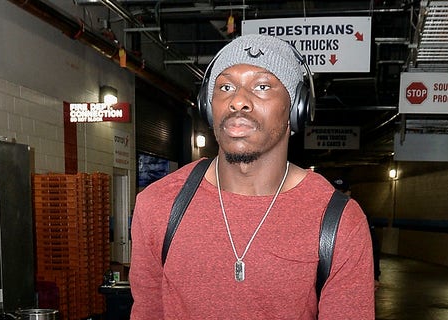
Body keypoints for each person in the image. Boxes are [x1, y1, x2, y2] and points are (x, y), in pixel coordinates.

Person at [129, 34, 374, 319]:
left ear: (297, 109)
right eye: (226, 86)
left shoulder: (338, 222)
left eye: (262, 86)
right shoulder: (157, 206)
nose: (238, 101)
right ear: (208, 107)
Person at [333, 178, 381, 290]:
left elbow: (373, 247)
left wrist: (374, 275)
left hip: (353, 274)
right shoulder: (321, 216)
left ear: (349, 193)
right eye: (335, 192)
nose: (338, 197)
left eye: (342, 192)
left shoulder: (361, 217)